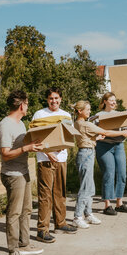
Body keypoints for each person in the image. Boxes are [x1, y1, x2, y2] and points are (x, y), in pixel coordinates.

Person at [0, 90, 44, 255]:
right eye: (27, 103)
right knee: (14, 213)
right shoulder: (6, 125)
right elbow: (5, 153)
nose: (28, 107)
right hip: (12, 175)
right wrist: (26, 149)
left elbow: (25, 145)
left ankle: (24, 244)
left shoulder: (21, 124)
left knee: (26, 210)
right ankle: (13, 250)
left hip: (23, 172)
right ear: (22, 105)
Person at [72, 101, 127, 228]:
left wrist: (95, 139)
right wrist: (122, 133)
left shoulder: (77, 123)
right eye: (87, 109)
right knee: (86, 187)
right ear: (80, 111)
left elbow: (85, 137)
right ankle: (77, 216)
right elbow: (106, 132)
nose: (89, 111)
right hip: (86, 154)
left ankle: (88, 214)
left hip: (87, 152)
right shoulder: (85, 124)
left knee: (90, 186)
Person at [31, 87, 77, 243]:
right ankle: (42, 230)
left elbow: (69, 137)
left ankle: (60, 223)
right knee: (45, 196)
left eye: (56, 98)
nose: (54, 101)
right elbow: (35, 137)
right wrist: (48, 152)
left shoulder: (65, 115)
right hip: (45, 159)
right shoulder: (39, 114)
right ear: (47, 99)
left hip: (61, 159)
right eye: (51, 98)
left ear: (61, 99)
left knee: (60, 192)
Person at [94, 92, 127, 215]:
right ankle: (107, 205)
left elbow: (125, 132)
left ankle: (119, 203)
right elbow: (96, 131)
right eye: (111, 100)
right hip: (104, 146)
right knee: (109, 173)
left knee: (122, 174)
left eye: (114, 100)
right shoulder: (98, 116)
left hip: (119, 146)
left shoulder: (119, 114)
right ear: (105, 101)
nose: (113, 102)